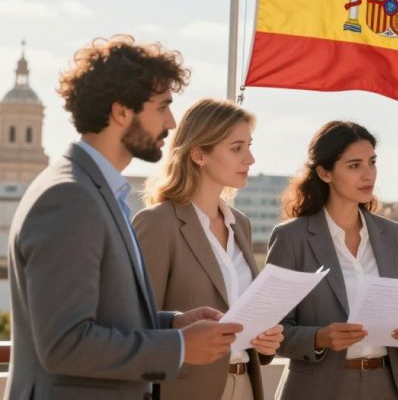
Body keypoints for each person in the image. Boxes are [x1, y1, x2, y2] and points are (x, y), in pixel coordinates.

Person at [5, 35, 242, 400]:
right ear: (121, 112)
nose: (172, 122)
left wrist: (173, 323)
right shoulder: (70, 197)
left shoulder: (96, 191)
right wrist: (179, 346)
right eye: (162, 107)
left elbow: (106, 317)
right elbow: (65, 343)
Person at [133, 98, 285, 400]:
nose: (250, 158)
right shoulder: (158, 223)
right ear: (199, 154)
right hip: (185, 390)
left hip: (246, 385)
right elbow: (137, 322)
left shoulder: (240, 224)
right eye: (237, 148)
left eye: (249, 146)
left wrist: (265, 340)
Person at [267, 121, 398, 400]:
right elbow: (271, 331)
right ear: (325, 173)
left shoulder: (392, 235)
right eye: (354, 165)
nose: (368, 174)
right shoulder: (292, 238)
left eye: (372, 162)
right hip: (318, 389)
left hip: (386, 387)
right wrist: (319, 337)